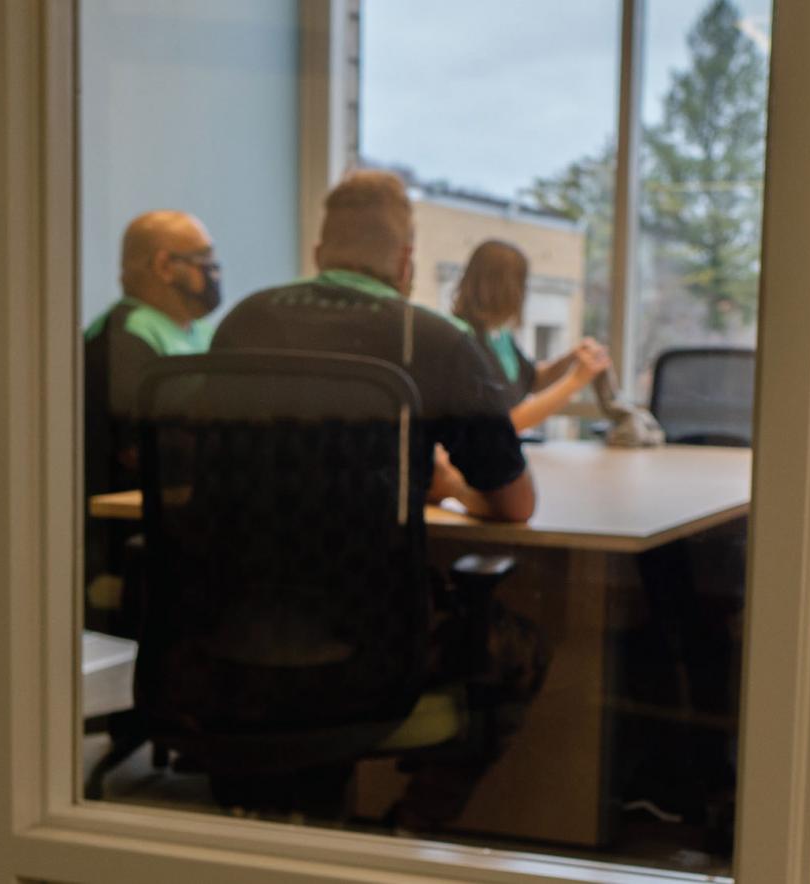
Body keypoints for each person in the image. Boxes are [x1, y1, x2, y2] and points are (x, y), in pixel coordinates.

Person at [210, 170, 543, 826]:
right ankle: (402, 830)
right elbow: (516, 505)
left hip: (225, 633)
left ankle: (273, 813)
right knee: (522, 651)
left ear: (317, 254)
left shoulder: (240, 322)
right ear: (406, 261)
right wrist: (451, 488)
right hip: (375, 649)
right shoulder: (433, 340)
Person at [83, 210, 223, 593]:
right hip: (128, 534)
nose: (214, 271)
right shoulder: (120, 339)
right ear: (165, 265)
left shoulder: (206, 333)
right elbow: (141, 444)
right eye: (205, 260)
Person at [449, 239, 611, 432]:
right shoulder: (464, 342)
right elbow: (505, 424)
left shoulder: (499, 335)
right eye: (520, 285)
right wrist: (576, 381)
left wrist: (571, 358)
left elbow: (531, 380)